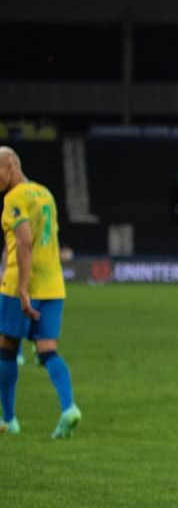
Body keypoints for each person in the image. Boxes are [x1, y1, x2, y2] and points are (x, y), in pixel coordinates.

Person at [0, 146, 81, 438]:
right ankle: (69, 407)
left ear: (10, 167)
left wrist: (22, 288)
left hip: (19, 285)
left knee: (6, 349)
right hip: (53, 285)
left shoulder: (14, 198)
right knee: (48, 351)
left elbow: (23, 242)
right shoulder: (45, 193)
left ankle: (9, 419)